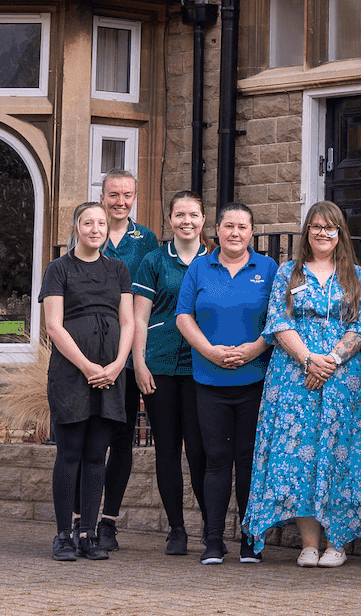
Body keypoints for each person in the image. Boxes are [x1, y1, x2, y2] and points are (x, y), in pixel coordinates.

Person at [245, 200, 361, 568]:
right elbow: (278, 322)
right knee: (299, 458)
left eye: (330, 227)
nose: (323, 233)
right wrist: (309, 358)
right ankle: (309, 543)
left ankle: (337, 543)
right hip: (294, 380)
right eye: (316, 227)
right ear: (307, 232)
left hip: (343, 382)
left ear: (339, 233)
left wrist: (331, 361)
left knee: (340, 455)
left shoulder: (357, 275)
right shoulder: (287, 273)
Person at [175, 202, 276, 565]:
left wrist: (253, 349)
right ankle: (213, 540)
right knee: (216, 460)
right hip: (210, 378)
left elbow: (278, 319)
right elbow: (183, 315)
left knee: (248, 461)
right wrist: (209, 351)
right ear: (216, 230)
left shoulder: (267, 268)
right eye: (229, 226)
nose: (235, 233)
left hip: (254, 379)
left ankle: (251, 540)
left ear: (252, 232)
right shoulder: (201, 267)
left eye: (243, 227)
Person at [40, 201, 135, 562]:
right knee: (70, 454)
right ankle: (63, 534)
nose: (95, 229)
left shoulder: (119, 269)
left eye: (101, 223)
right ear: (77, 227)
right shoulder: (59, 269)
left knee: (97, 455)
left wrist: (116, 365)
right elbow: (54, 325)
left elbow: (127, 322)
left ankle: (88, 533)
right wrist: (86, 366)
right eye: (88, 223)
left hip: (111, 375)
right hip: (71, 375)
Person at [133, 190, 209, 555]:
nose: (187, 222)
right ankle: (176, 529)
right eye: (180, 215)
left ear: (203, 220)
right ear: (170, 220)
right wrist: (138, 362)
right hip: (160, 366)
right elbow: (139, 317)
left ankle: (211, 527)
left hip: (201, 369)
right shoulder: (153, 261)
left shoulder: (214, 261)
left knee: (199, 450)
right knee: (167, 449)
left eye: (193, 215)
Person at [94, 169, 160, 551]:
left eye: (127, 195)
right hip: (93, 348)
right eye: (114, 194)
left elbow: (144, 302)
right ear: (102, 196)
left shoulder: (146, 239)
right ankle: (81, 516)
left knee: (122, 440)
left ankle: (109, 522)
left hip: (131, 352)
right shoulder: (89, 229)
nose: (120, 202)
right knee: (92, 438)